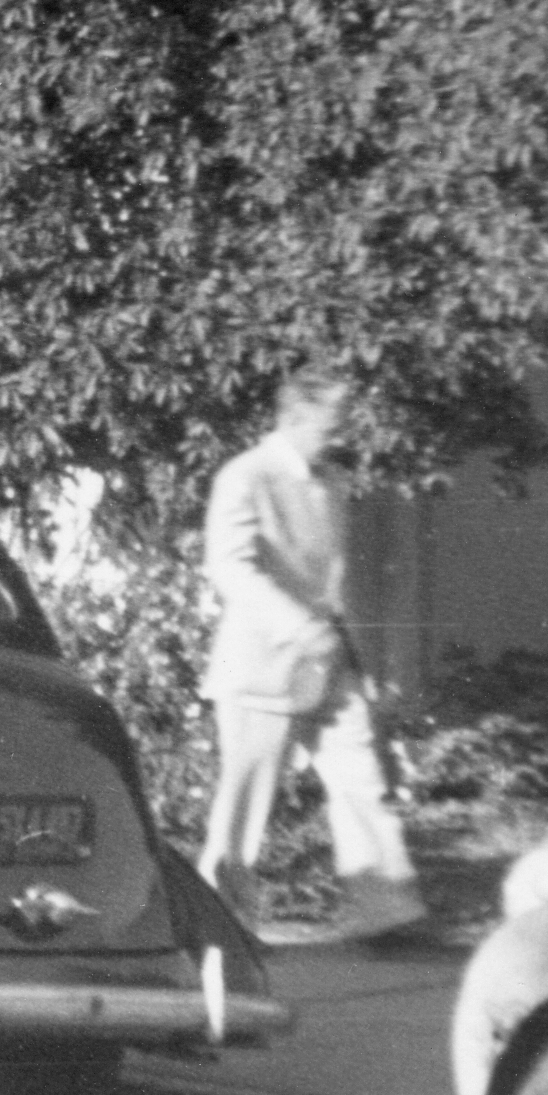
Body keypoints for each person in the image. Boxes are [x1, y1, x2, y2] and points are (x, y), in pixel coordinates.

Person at [197, 367, 426, 945]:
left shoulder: (331, 482)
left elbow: (333, 579)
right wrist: (297, 627)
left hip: (332, 662)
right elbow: (229, 566)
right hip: (261, 665)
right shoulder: (246, 476)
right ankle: (218, 922)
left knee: (360, 778)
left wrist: (353, 655)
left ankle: (388, 914)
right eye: (332, 423)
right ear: (294, 418)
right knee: (247, 800)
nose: (340, 434)